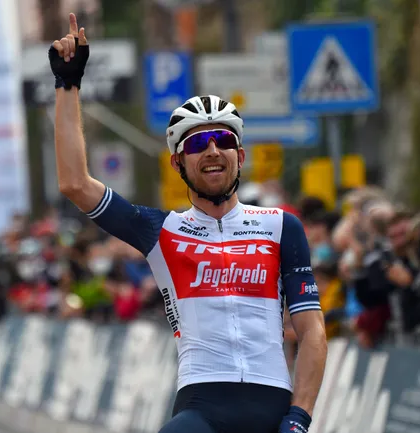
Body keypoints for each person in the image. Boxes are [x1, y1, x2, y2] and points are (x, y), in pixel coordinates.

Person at [49, 14, 327, 433]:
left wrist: (300, 418)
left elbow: (312, 333)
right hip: (201, 405)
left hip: (274, 405)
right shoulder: (160, 230)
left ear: (241, 156)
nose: (212, 149)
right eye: (197, 142)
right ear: (178, 161)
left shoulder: (281, 226)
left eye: (224, 140)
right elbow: (74, 183)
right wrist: (68, 85)